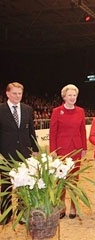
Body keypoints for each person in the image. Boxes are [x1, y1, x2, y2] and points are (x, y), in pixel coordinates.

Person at [0, 82, 39, 225]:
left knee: (24, 184)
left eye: (20, 93)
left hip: (25, 154)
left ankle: (22, 214)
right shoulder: (1, 110)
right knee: (6, 185)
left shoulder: (28, 109)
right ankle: (5, 214)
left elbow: (31, 132)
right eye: (15, 93)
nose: (17, 96)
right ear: (7, 94)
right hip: (5, 155)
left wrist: (35, 150)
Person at [49, 84, 87, 219]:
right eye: (69, 95)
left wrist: (84, 147)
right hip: (61, 150)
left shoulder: (81, 111)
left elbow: (82, 130)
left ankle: (73, 206)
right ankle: (61, 206)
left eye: (74, 95)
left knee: (74, 179)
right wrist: (53, 149)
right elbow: (53, 131)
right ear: (64, 96)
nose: (72, 98)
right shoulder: (56, 111)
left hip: (76, 148)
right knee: (61, 179)